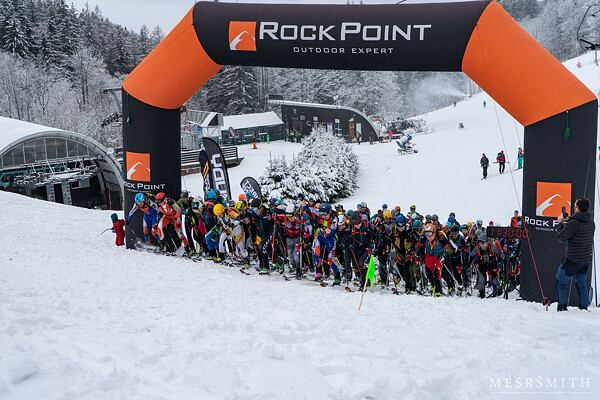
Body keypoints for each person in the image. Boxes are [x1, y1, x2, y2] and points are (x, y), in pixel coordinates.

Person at [555, 198, 595, 311]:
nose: (574, 207)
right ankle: (584, 308)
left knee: (560, 282)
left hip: (572, 260)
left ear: (577, 208)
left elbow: (560, 237)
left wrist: (560, 223)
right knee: (581, 284)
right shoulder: (591, 222)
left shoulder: (573, 223)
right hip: (585, 260)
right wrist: (568, 221)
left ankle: (562, 308)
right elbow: (579, 230)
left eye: (575, 206)